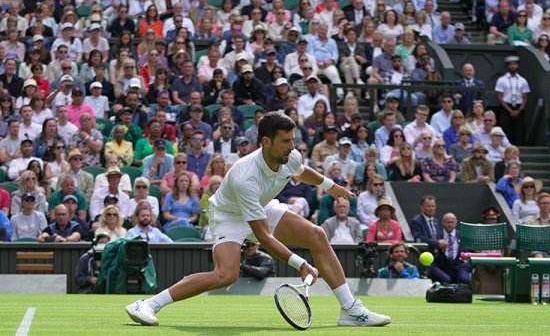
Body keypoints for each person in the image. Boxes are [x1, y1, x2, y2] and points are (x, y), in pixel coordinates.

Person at [125, 111, 391, 327]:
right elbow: (263, 236)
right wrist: (300, 264)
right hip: (228, 216)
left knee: (316, 235)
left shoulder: (290, 155)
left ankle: (350, 310)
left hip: (260, 207)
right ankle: (148, 304)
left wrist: (330, 185)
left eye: (292, 139)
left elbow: (301, 171)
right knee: (225, 275)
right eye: (285, 141)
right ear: (266, 141)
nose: (292, 146)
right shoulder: (246, 177)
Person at [495, 56, 530, 146]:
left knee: (519, 131)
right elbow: (499, 96)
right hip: (506, 107)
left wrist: (519, 110)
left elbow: (525, 97)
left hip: (519, 107)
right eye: (511, 64)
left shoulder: (523, 80)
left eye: (514, 64)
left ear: (517, 66)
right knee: (505, 129)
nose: (513, 66)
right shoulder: (501, 80)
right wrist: (510, 110)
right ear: (507, 66)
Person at [429, 212, 471, 284]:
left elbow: (468, 253)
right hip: (442, 266)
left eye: (452, 222)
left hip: (459, 265)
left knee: (465, 279)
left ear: (456, 222)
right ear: (443, 222)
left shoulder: (462, 236)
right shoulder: (436, 236)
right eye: (448, 222)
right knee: (445, 278)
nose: (450, 225)